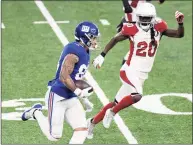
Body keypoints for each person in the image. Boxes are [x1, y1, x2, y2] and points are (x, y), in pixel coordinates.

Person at [88, 2, 184, 139]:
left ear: (152, 17)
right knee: (137, 95)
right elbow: (115, 39)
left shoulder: (159, 27)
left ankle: (91, 123)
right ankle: (112, 113)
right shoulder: (131, 29)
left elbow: (178, 34)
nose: (144, 20)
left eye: (147, 18)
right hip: (129, 70)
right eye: (142, 17)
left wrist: (180, 24)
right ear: (137, 17)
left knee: (115, 102)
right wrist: (102, 55)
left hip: (142, 74)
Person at [21, 21, 100, 144]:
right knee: (54, 136)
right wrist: (78, 92)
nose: (95, 41)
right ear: (84, 37)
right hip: (58, 95)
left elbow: (77, 76)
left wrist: (84, 99)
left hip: (71, 97)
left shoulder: (84, 50)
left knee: (82, 130)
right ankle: (35, 112)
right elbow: (64, 77)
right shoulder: (74, 51)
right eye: (93, 38)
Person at [119, 0, 165, 65]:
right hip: (134, 14)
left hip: (141, 12)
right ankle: (127, 66)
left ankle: (127, 65)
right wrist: (126, 5)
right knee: (138, 40)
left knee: (140, 41)